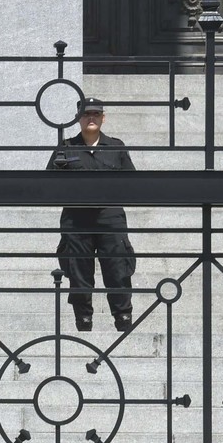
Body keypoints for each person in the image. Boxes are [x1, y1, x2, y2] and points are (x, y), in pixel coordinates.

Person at [46, 96, 136, 332]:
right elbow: (48, 183)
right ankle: (83, 321)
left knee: (117, 269)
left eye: (96, 114)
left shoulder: (116, 147)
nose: (91, 118)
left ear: (103, 118)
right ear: (78, 118)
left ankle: (123, 319)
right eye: (87, 114)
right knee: (78, 272)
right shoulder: (66, 147)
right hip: (77, 219)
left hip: (110, 217)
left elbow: (133, 183)